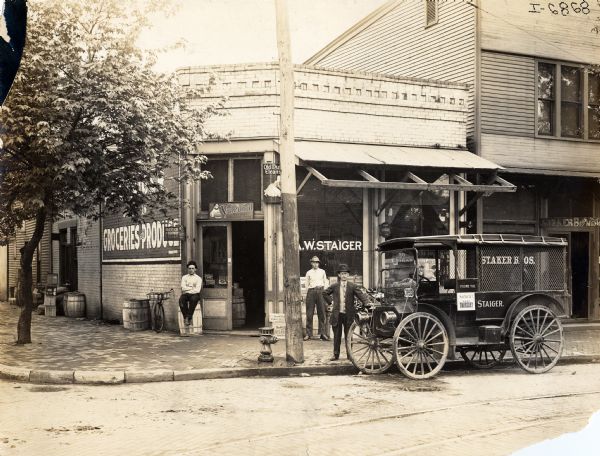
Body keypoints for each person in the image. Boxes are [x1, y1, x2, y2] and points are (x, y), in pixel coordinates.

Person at [322, 264, 369, 361]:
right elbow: (324, 293)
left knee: (349, 336)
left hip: (348, 315)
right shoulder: (335, 286)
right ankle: (335, 355)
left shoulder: (352, 286)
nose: (344, 275)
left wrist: (367, 303)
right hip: (337, 315)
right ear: (339, 275)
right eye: (342, 273)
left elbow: (361, 295)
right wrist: (331, 302)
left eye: (346, 274)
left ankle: (349, 355)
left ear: (348, 275)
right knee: (337, 336)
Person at [304, 256, 329, 341]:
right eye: (314, 262)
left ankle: (322, 333)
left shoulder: (322, 271)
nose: (315, 264)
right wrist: (308, 293)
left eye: (317, 262)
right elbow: (306, 284)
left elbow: (325, 282)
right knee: (309, 313)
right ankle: (308, 334)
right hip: (311, 292)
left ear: (319, 263)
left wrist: (324, 292)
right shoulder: (308, 272)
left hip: (321, 291)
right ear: (311, 263)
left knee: (322, 313)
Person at [179, 260, 203, 326]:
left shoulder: (198, 278)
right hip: (186, 294)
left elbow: (197, 290)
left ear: (195, 269)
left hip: (195, 295)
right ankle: (186, 317)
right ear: (187, 269)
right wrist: (192, 288)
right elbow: (183, 288)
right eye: (189, 268)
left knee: (193, 299)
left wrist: (188, 289)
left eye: (192, 268)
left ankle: (189, 318)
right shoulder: (184, 277)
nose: (191, 270)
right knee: (181, 300)